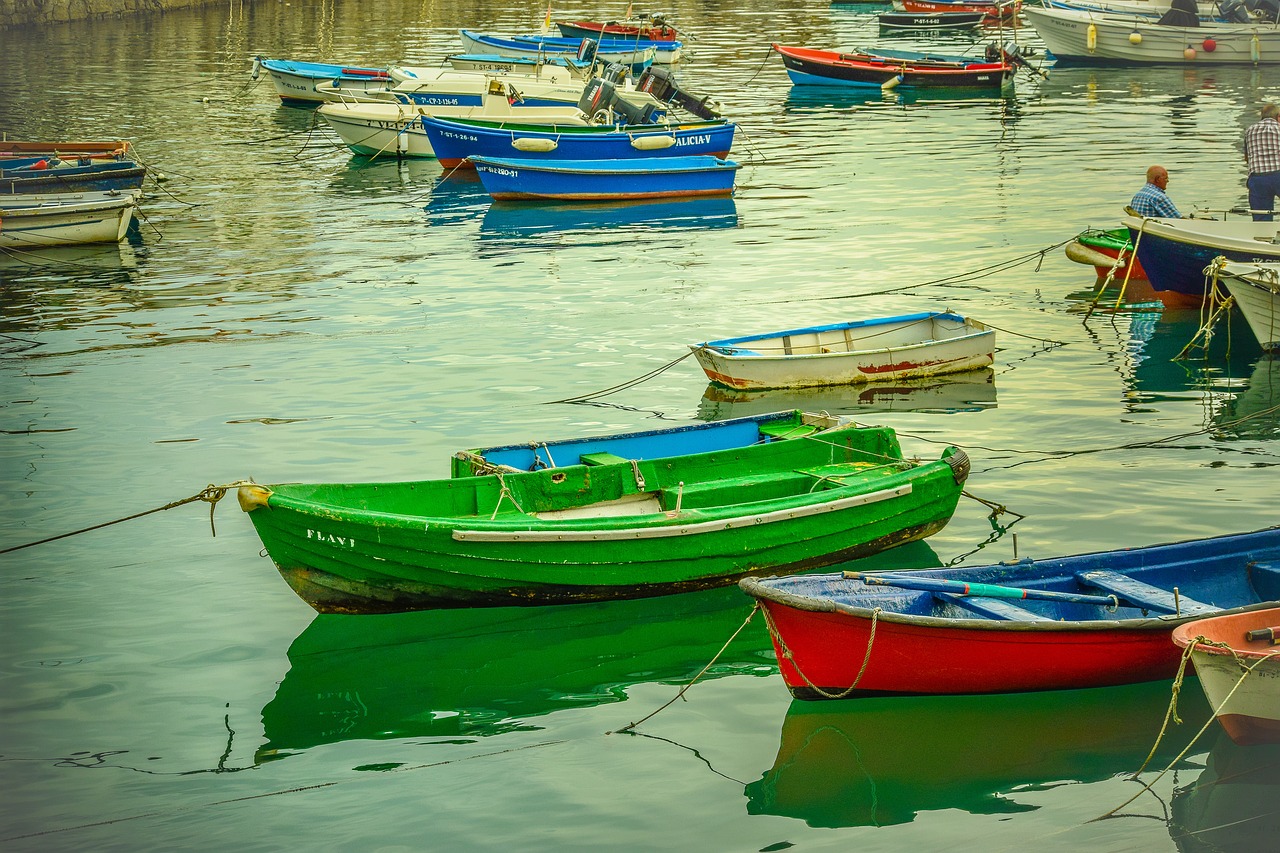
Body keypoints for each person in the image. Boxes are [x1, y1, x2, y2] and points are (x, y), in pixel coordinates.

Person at [1244, 103, 1280, 222]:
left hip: (1257, 178)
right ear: (1278, 117)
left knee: (1261, 218)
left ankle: (1263, 238)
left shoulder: (1250, 130)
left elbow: (1247, 158)